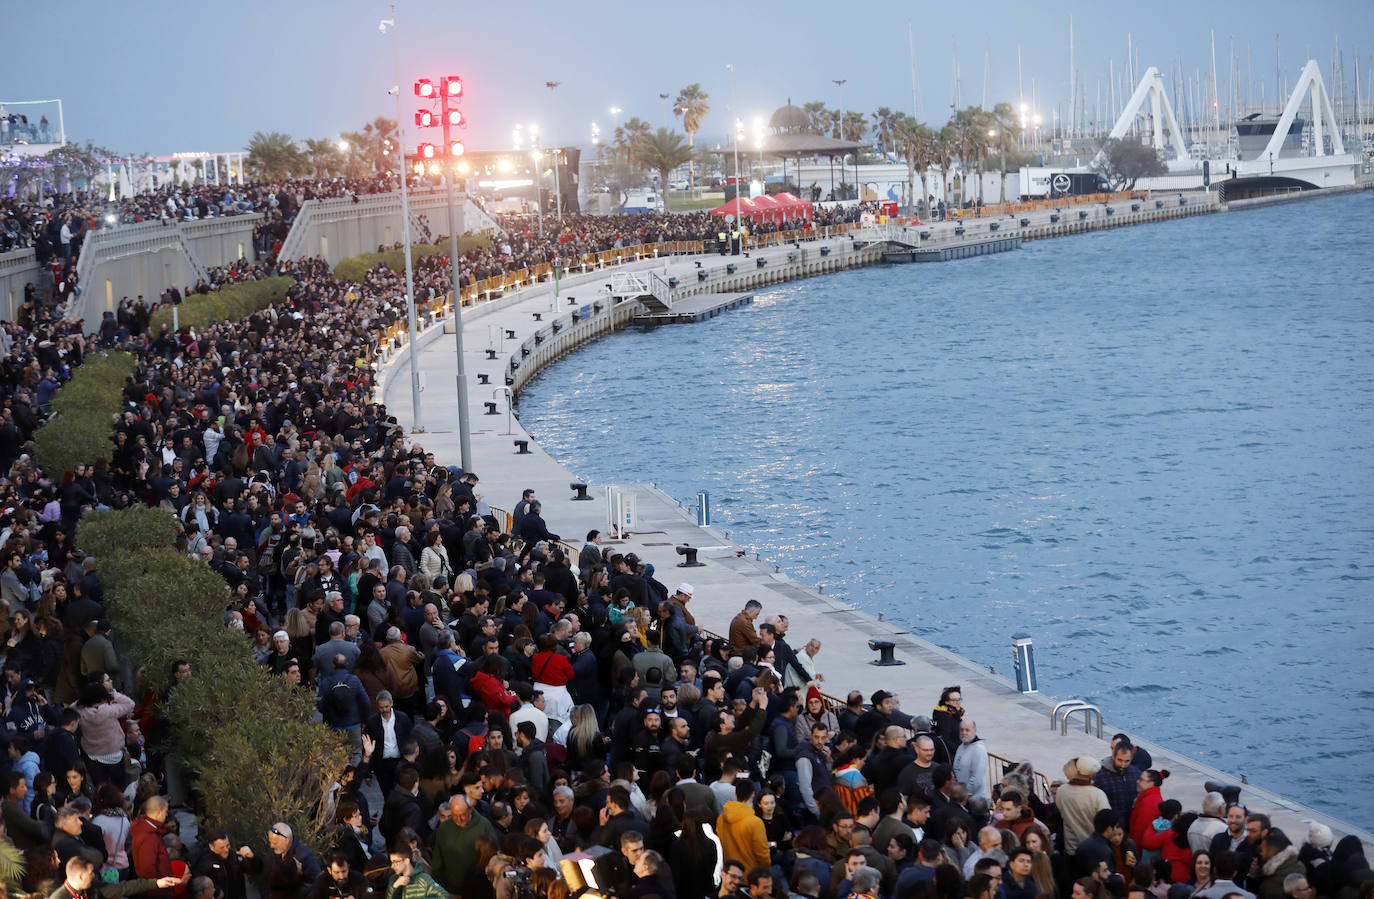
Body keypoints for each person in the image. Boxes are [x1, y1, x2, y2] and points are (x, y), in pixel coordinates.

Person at [52, 854, 186, 899]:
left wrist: (157, 883)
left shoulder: (93, 888)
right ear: (81, 876)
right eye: (91, 873)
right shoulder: (58, 898)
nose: (94, 876)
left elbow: (124, 887)